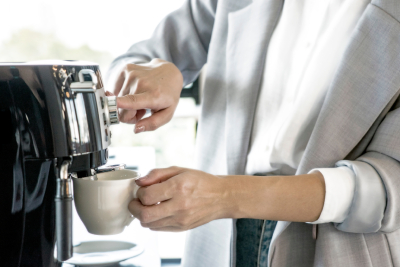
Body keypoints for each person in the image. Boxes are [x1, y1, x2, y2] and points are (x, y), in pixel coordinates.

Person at [106, 0, 400, 266]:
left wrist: (224, 196)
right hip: (217, 236)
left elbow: (388, 185)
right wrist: (155, 73)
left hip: (334, 247)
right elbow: (135, 58)